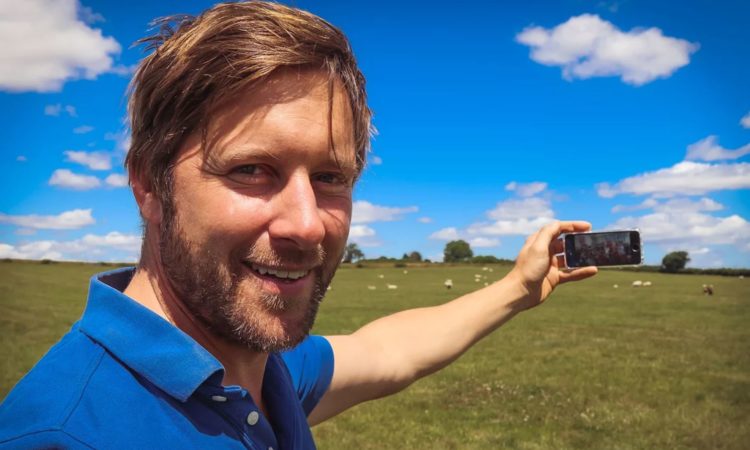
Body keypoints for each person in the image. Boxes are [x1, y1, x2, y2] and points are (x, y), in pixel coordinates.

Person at [0, 2, 597, 449]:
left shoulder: (257, 370)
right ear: (149, 186)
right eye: (253, 169)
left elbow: (387, 351)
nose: (308, 225)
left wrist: (519, 288)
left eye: (331, 177)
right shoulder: (63, 434)